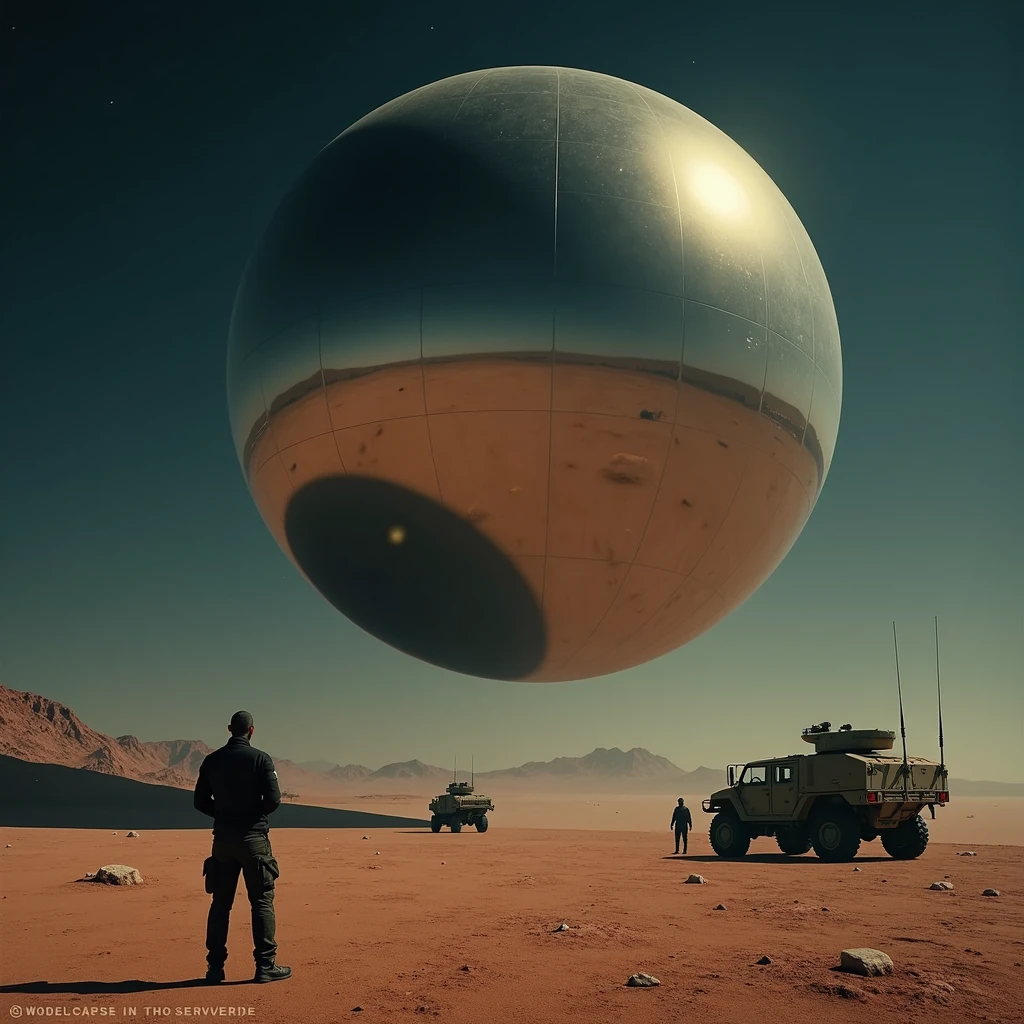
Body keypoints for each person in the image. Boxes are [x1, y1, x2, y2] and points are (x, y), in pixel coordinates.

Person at [193, 710, 291, 984]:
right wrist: (252, 815)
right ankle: (265, 965)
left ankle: (214, 969)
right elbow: (274, 800)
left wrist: (224, 815)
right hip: (254, 841)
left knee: (220, 903)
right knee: (261, 901)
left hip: (223, 841)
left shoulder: (212, 760)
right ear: (251, 731)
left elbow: (199, 801)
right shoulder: (261, 759)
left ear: (229, 729)